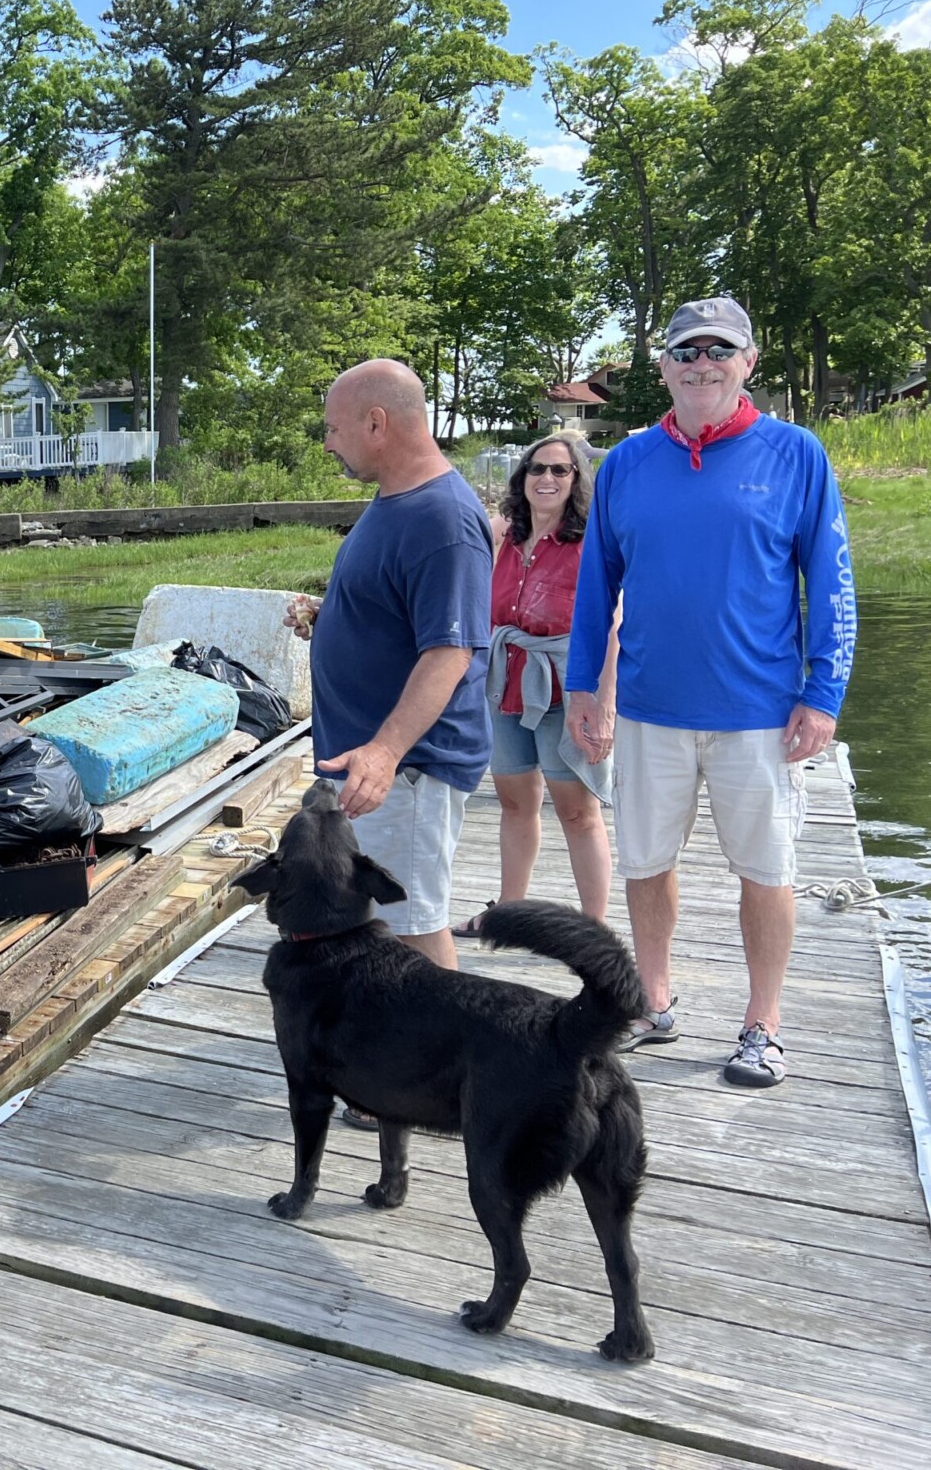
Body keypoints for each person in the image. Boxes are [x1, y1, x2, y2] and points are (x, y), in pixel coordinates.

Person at [565, 296, 856, 1089]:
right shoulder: (625, 463)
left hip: (759, 714)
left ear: (747, 362)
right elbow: (596, 586)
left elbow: (830, 585)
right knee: (647, 863)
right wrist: (584, 686)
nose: (702, 365)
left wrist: (823, 693)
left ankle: (763, 1024)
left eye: (718, 351)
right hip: (652, 711)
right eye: (686, 352)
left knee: (766, 869)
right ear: (662, 367)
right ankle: (653, 1001)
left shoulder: (796, 454)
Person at [286, 359, 494, 976]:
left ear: (376, 423)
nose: (328, 443)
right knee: (389, 926)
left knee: (414, 928)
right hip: (377, 768)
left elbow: (450, 652)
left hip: (408, 769)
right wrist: (337, 617)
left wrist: (383, 751)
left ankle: (448, 1065)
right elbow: (405, 612)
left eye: (333, 429)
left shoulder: (442, 519)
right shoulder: (396, 501)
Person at [452, 431, 616, 937]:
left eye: (559, 470)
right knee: (515, 803)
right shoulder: (501, 535)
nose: (546, 478)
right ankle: (508, 913)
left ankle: (594, 932)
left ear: (576, 480)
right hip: (507, 685)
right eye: (537, 469)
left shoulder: (591, 543)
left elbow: (614, 626)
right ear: (522, 478)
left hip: (571, 688)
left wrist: (603, 705)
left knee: (577, 811)